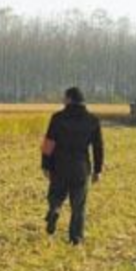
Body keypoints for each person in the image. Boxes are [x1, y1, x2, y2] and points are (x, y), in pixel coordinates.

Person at [41, 87, 104, 245]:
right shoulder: (93, 120)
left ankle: (55, 209)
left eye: (64, 97)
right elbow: (98, 147)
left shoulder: (57, 118)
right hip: (80, 167)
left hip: (59, 165)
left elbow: (49, 142)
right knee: (79, 206)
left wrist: (45, 165)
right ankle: (76, 238)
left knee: (55, 195)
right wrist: (98, 170)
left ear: (69, 99)